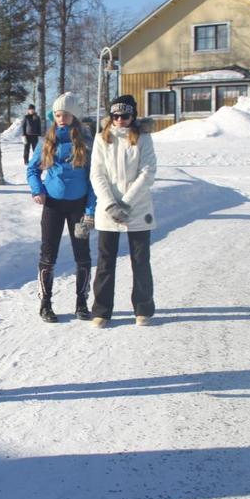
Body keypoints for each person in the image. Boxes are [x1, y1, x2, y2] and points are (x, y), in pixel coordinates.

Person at [88, 95, 158, 328]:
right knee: (105, 261)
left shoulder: (143, 139)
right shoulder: (101, 138)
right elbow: (97, 174)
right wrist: (110, 204)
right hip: (108, 210)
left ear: (133, 116)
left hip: (137, 208)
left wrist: (126, 203)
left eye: (125, 116)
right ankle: (102, 311)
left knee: (140, 260)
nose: (120, 120)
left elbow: (147, 173)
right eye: (116, 116)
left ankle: (143, 308)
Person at [26, 91, 96, 323]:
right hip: (53, 206)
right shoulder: (48, 140)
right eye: (57, 114)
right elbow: (33, 169)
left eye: (65, 114)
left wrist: (90, 210)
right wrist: (38, 190)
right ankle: (45, 304)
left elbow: (94, 178)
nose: (61, 118)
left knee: (82, 255)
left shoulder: (85, 141)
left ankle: (82, 302)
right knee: (48, 254)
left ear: (74, 116)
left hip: (79, 207)